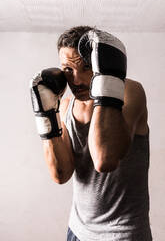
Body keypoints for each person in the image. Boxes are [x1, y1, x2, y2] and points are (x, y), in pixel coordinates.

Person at [30, 26, 152, 241]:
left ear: (100, 62)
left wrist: (106, 85)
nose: (75, 80)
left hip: (123, 234)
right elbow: (61, 174)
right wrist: (46, 117)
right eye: (68, 69)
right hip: (78, 230)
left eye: (86, 67)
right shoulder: (66, 106)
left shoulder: (129, 92)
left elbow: (105, 160)